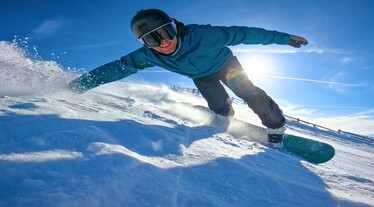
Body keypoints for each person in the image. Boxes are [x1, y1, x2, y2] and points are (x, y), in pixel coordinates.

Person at [68, 9, 308, 147]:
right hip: (201, 76)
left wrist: (285, 38)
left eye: (167, 32)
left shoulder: (206, 35)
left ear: (174, 26)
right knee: (216, 104)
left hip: (226, 65)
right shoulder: (149, 56)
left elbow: (246, 33)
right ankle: (225, 112)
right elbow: (119, 68)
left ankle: (276, 127)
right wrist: (80, 85)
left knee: (248, 92)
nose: (164, 42)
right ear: (144, 44)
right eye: (153, 39)